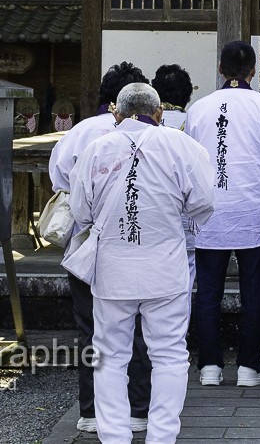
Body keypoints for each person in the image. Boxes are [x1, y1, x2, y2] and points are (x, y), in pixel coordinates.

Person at [70, 81, 215, 444]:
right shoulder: (182, 146)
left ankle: (114, 437)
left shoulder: (96, 148)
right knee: (169, 355)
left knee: (109, 356)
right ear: (159, 113)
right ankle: (162, 436)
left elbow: (80, 212)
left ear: (116, 113)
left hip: (112, 268)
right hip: (165, 267)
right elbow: (203, 203)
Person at [49, 61, 149, 436]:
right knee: (137, 325)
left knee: (91, 328)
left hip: (87, 244)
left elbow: (60, 179)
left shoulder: (81, 132)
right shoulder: (157, 135)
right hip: (137, 243)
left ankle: (91, 411)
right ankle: (137, 409)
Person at [184, 40, 260, 386]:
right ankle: (248, 368)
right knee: (253, 292)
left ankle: (210, 367)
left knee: (208, 293)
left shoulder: (199, 109)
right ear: (253, 71)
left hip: (210, 210)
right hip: (251, 210)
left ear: (220, 69)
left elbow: (192, 158)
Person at [122, 63, 199, 428]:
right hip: (181, 233)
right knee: (172, 321)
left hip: (136, 231)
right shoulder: (190, 127)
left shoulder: (125, 132)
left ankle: (136, 399)